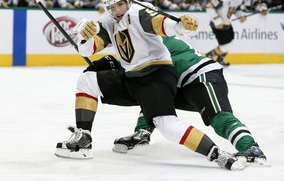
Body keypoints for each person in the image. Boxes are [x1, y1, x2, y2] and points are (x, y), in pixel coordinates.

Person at [55, 0, 244, 170]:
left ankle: (216, 154)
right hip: (131, 78)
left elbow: (161, 24)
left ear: (127, 1)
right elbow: (88, 49)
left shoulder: (139, 12)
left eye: (120, 4)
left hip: (156, 75)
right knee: (87, 81)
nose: (117, 10)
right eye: (112, 7)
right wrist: (84, 37)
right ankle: (83, 139)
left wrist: (180, 25)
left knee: (167, 125)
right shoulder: (109, 21)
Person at [112, 36, 267, 165]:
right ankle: (143, 133)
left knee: (219, 118)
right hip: (183, 84)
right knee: (154, 95)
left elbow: (132, 67)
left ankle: (251, 148)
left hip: (202, 76)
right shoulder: (145, 41)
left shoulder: (153, 42)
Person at [205, 0, 246, 67]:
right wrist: (217, 21)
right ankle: (208, 56)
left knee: (230, 43)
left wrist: (240, 16)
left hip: (227, 24)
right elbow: (209, 7)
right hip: (217, 25)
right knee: (225, 45)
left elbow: (237, 10)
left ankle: (220, 59)